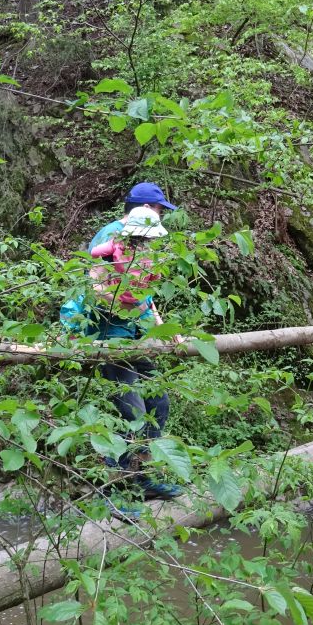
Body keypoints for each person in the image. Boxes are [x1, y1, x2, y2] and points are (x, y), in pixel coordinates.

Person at [86, 205, 183, 506]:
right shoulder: (108, 253)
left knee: (160, 405)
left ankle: (140, 478)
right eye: (143, 239)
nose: (146, 244)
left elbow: (149, 298)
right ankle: (116, 490)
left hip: (136, 341)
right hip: (110, 342)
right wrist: (122, 306)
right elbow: (94, 289)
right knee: (134, 415)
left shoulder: (143, 259)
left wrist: (164, 329)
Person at [89, 181, 177, 253]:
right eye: (160, 211)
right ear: (146, 208)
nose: (160, 217)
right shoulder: (115, 233)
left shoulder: (131, 233)